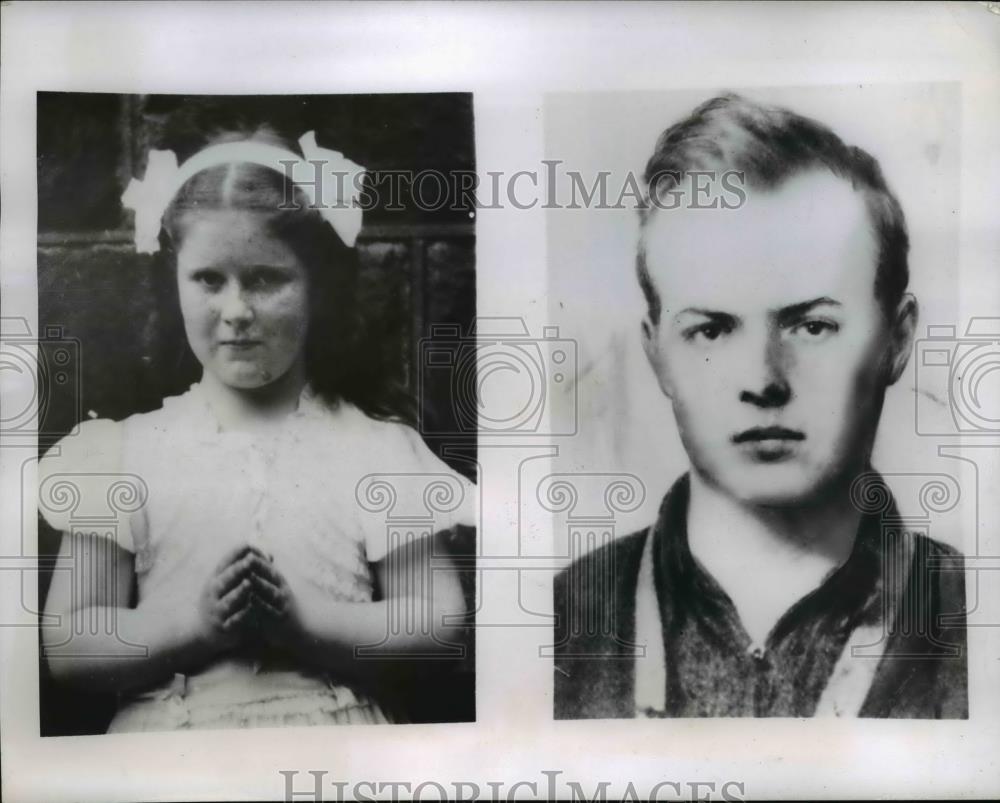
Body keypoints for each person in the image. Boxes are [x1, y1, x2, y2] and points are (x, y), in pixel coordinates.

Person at [39, 124, 475, 731]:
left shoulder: (377, 449)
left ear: (318, 286)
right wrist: (192, 628)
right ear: (174, 284)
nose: (236, 310)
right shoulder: (121, 453)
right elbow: (70, 646)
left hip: (335, 745)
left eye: (267, 279)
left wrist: (304, 625)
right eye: (209, 279)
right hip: (173, 752)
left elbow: (438, 625)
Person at [553, 94, 967, 719]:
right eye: (713, 330)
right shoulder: (554, 621)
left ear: (897, 341)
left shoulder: (977, 615)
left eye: (812, 326)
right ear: (658, 354)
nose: (763, 380)